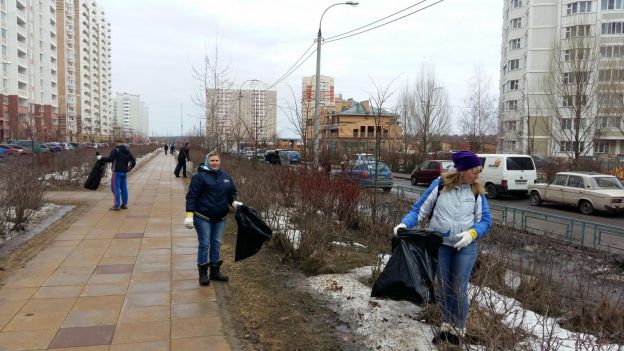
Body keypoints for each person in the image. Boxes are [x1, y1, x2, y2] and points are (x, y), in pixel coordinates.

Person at [393, 150, 492, 346]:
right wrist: (404, 224)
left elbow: (485, 221)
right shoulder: (439, 186)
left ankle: (458, 331)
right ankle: (446, 328)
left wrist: (472, 234)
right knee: (444, 287)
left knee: (459, 288)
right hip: (441, 246)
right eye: (475, 171)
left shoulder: (476, 192)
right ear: (462, 170)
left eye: (479, 171)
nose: (477, 175)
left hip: (465, 248)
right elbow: (419, 210)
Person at [184, 151, 242, 286]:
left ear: (219, 162)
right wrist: (189, 215)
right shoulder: (199, 177)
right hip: (202, 217)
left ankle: (215, 272)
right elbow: (191, 196)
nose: (214, 163)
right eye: (212, 161)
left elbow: (232, 193)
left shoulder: (226, 177)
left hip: (220, 217)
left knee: (216, 242)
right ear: (207, 162)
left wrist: (234, 202)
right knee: (205, 243)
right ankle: (203, 273)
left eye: (216, 160)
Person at [100, 142, 136, 211]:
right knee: (124, 188)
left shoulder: (115, 150)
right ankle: (124, 204)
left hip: (116, 173)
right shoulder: (127, 151)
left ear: (117, 144)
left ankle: (117, 205)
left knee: (114, 188)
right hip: (124, 173)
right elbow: (133, 161)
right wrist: (129, 168)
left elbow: (110, 159)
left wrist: (101, 158)